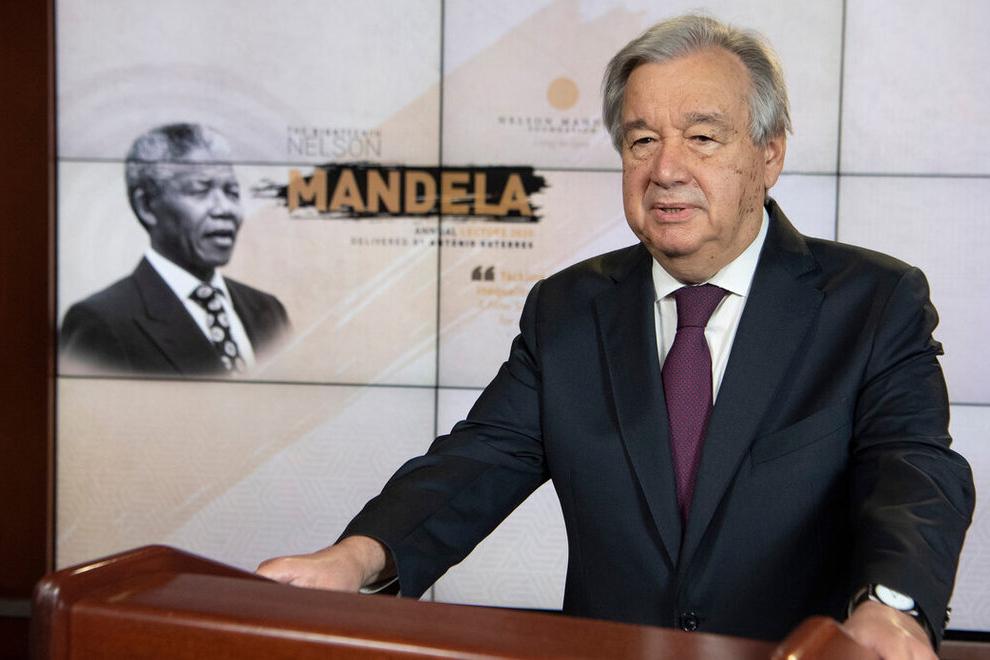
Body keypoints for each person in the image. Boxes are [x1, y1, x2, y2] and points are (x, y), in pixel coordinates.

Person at [257, 15, 973, 658]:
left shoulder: (872, 303)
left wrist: (893, 606)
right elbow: (479, 461)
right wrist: (359, 557)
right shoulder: (568, 310)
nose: (667, 169)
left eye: (702, 137)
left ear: (769, 155)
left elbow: (912, 472)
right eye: (642, 140)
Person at [60, 123, 290, 376]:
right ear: (147, 206)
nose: (224, 209)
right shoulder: (101, 322)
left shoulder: (269, 311)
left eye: (232, 192)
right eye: (200, 191)